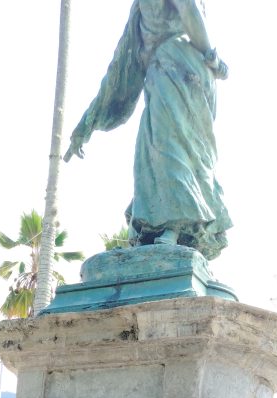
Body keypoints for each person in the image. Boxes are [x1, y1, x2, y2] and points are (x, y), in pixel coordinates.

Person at [64, 0, 231, 257]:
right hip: (173, 68)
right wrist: (88, 121)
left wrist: (212, 56)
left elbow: (188, 9)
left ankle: (172, 227)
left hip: (178, 66)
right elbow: (122, 63)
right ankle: (159, 228)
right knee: (154, 153)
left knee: (170, 149)